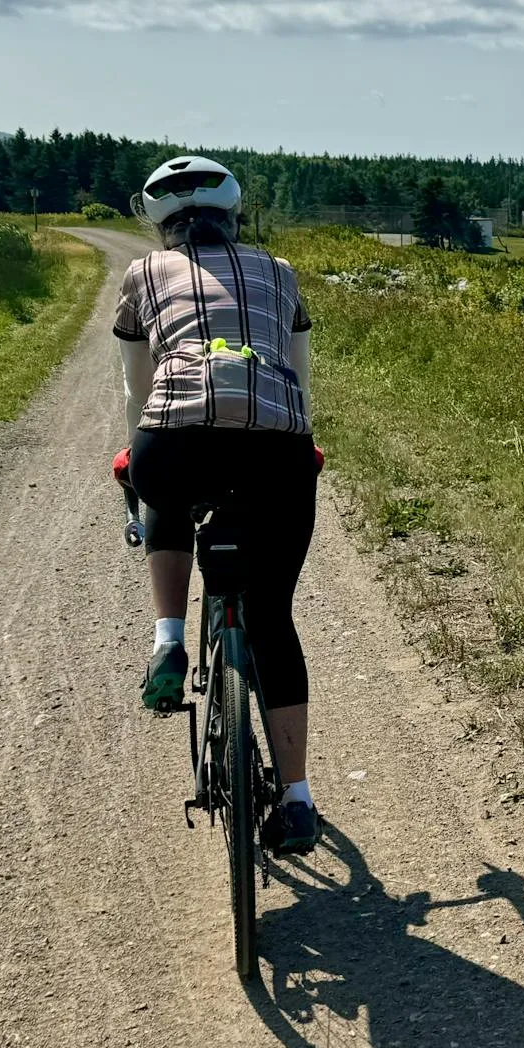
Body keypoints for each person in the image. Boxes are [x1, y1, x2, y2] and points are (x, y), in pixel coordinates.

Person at [113, 155, 320, 854]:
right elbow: (299, 377)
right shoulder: (281, 273)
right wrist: (298, 442)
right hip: (277, 450)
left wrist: (135, 458)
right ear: (234, 216)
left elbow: (138, 390)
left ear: (160, 226)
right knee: (273, 619)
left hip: (174, 439)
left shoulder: (143, 274)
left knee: (163, 488)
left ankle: (168, 640)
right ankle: (296, 798)